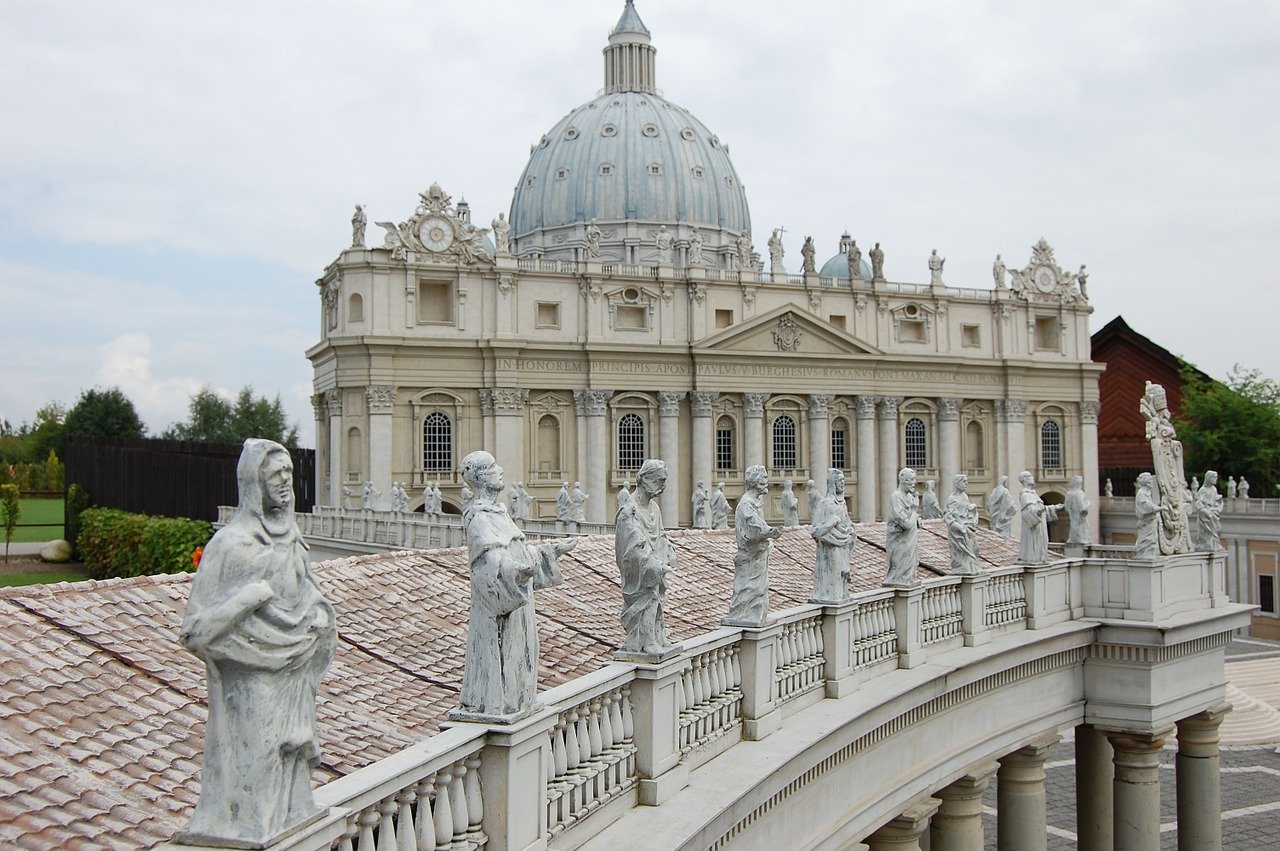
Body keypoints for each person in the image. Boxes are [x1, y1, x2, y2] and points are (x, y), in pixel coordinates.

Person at [178, 440, 336, 846]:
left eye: (288, 472)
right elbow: (195, 631)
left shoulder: (292, 538)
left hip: (294, 669)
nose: (285, 482)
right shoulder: (231, 544)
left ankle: (288, 816)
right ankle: (252, 828)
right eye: (274, 475)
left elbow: (310, 593)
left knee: (291, 753)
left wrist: (318, 615)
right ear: (253, 483)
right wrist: (249, 599)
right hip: (249, 677)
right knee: (256, 760)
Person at [456, 451, 577, 718]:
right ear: (480, 477)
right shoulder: (478, 517)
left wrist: (549, 552)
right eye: (492, 467)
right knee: (504, 654)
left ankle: (519, 699)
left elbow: (517, 552)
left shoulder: (499, 512)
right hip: (501, 603)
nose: (501, 470)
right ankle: (502, 702)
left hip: (518, 600)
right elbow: (488, 561)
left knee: (522, 652)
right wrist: (515, 570)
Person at [614, 460, 676, 657]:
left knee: (657, 600)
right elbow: (633, 546)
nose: (662, 487)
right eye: (659, 481)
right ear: (643, 479)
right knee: (647, 598)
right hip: (640, 569)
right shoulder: (629, 512)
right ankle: (646, 640)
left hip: (656, 565)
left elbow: (661, 535)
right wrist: (650, 564)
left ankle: (657, 635)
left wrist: (668, 552)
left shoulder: (654, 508)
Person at [725, 465, 782, 626]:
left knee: (758, 590)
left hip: (758, 556)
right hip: (750, 557)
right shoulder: (746, 504)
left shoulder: (754, 502)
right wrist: (770, 532)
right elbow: (754, 526)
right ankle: (744, 615)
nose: (767, 481)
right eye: (764, 478)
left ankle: (754, 615)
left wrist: (769, 535)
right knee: (748, 589)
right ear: (756, 481)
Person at [811, 468, 854, 603]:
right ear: (832, 484)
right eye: (839, 481)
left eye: (843, 481)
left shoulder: (842, 503)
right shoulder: (825, 503)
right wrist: (831, 523)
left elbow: (848, 524)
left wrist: (851, 530)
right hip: (831, 551)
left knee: (842, 577)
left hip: (843, 548)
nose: (842, 484)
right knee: (833, 579)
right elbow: (815, 531)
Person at [885, 468, 923, 586]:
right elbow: (905, 524)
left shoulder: (910, 498)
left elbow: (912, 520)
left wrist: (917, 520)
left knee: (909, 566)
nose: (914, 483)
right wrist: (914, 510)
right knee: (900, 568)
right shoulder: (896, 497)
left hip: (910, 541)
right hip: (899, 542)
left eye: (914, 479)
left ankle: (908, 577)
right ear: (902, 480)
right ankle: (900, 578)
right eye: (911, 480)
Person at [1017, 471, 1060, 564]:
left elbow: (1041, 508)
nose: (1032, 477)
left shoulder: (1033, 494)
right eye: (1029, 476)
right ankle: (1033, 557)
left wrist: (1054, 507)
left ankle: (1040, 557)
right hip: (1034, 526)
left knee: (1042, 541)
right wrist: (1038, 511)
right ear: (1025, 480)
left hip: (1041, 524)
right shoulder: (1025, 495)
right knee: (1034, 542)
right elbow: (1028, 511)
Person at [944, 474, 981, 574]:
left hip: (967, 529)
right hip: (958, 532)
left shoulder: (965, 496)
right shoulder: (952, 499)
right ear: (957, 483)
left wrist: (973, 509)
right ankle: (964, 567)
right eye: (964, 481)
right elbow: (948, 517)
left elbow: (968, 512)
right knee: (963, 552)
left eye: (967, 481)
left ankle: (972, 566)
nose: (966, 483)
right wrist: (959, 527)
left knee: (975, 548)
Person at [1195, 471, 1224, 551]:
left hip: (1213, 512)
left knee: (1218, 530)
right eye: (1214, 477)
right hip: (1206, 514)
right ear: (1209, 478)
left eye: (1216, 477)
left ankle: (1215, 543)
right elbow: (1198, 502)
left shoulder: (1214, 489)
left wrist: (1219, 499)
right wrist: (1204, 510)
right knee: (1209, 531)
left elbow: (1215, 500)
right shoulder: (1202, 490)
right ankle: (1209, 544)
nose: (1216, 479)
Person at [1135, 472, 1161, 559]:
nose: (1152, 483)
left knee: (1151, 539)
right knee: (1147, 540)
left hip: (1150, 522)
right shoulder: (1141, 494)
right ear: (1145, 482)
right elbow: (1148, 507)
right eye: (1150, 481)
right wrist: (1160, 508)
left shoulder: (1147, 493)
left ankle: (1148, 554)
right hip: (1146, 522)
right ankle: (1145, 555)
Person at [1064, 475, 1091, 545]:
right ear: (1078, 484)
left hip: (1072, 515)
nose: (1081, 485)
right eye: (1080, 483)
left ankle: (1074, 539)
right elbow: (1081, 507)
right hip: (1079, 516)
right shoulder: (1079, 493)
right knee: (1082, 527)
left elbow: (1066, 507)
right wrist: (1088, 504)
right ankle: (1081, 539)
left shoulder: (1069, 493)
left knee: (1074, 526)